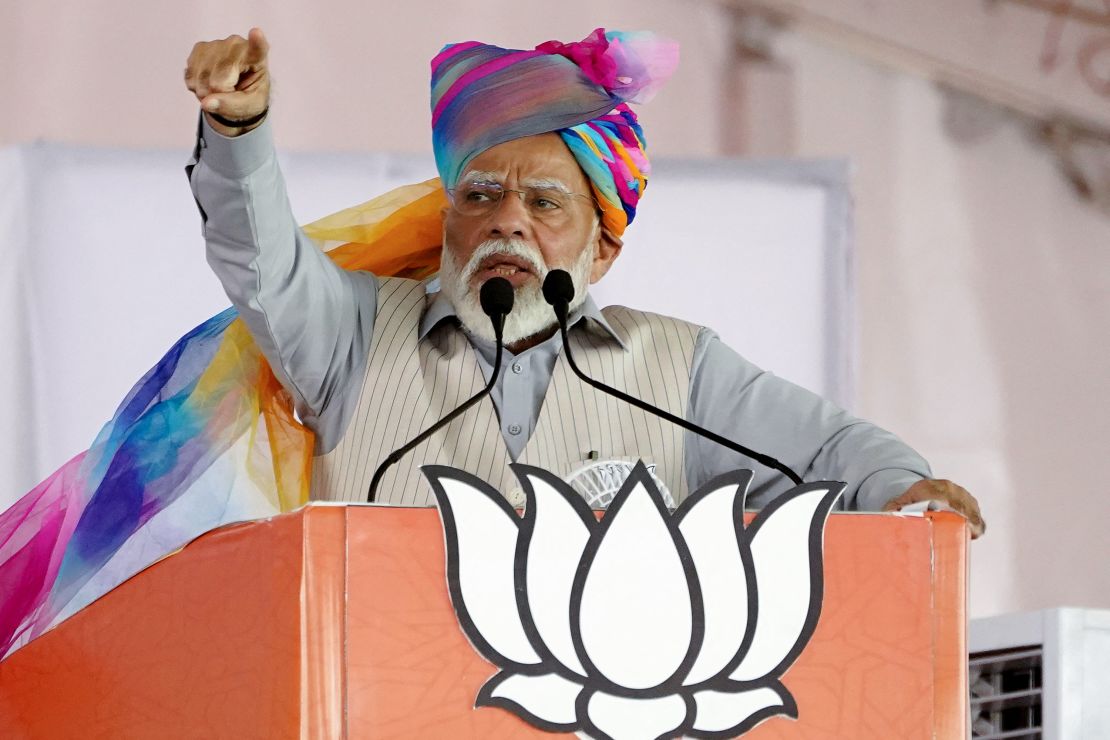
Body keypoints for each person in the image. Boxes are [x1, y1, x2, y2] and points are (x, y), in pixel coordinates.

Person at [183, 28, 984, 536]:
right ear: (450, 221)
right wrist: (238, 128)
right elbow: (260, 258)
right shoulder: (352, 335)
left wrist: (906, 494)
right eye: (481, 195)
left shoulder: (676, 370)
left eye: (544, 202)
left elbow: (835, 452)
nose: (507, 221)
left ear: (601, 252)